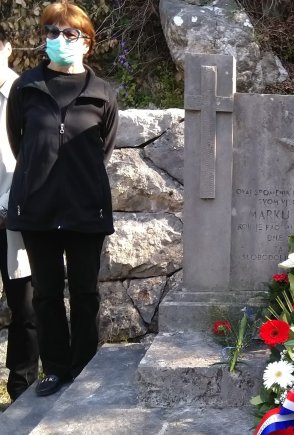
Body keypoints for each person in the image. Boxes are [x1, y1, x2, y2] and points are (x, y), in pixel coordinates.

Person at [5, 0, 118, 397]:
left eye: (70, 33)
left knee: (85, 293)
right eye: (52, 32)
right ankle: (54, 367)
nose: (59, 39)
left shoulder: (102, 92)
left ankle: (83, 366)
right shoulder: (25, 88)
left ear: (87, 42)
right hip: (38, 209)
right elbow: (20, 144)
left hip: (86, 209)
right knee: (46, 293)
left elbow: (102, 148)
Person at [0, 28, 38, 401]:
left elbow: (37, 155)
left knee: (25, 306)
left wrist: (7, 203)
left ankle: (21, 387)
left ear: (8, 48)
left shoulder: (28, 93)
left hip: (16, 216)